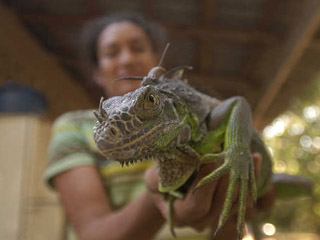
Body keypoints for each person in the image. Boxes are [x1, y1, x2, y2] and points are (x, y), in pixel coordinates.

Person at [45, 13, 274, 240]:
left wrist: (236, 208)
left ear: (156, 61)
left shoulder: (189, 117)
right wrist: (155, 201)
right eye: (111, 53)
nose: (126, 60)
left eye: (137, 48)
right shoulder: (73, 127)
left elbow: (229, 230)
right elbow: (91, 235)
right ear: (97, 72)